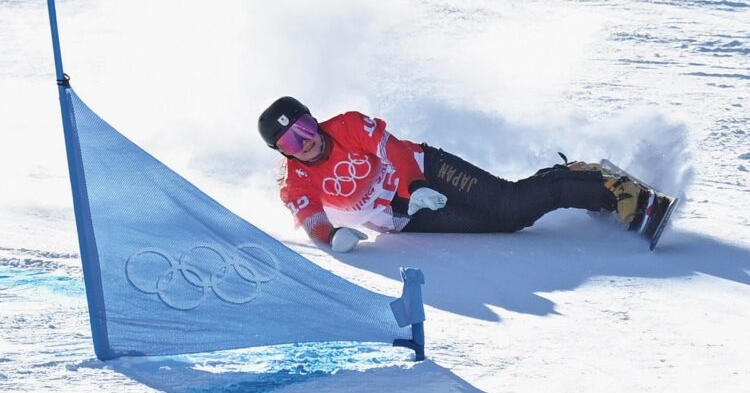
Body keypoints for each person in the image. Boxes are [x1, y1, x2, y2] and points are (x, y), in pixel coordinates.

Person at [257, 96, 659, 253]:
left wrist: (414, 185)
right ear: (281, 152)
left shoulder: (345, 125)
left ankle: (615, 192)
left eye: (306, 128)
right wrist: (332, 236)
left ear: (315, 119)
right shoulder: (295, 184)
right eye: (292, 142)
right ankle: (569, 174)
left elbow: (393, 149)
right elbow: (312, 220)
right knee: (509, 221)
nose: (306, 142)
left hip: (426, 172)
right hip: (407, 219)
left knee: (509, 202)